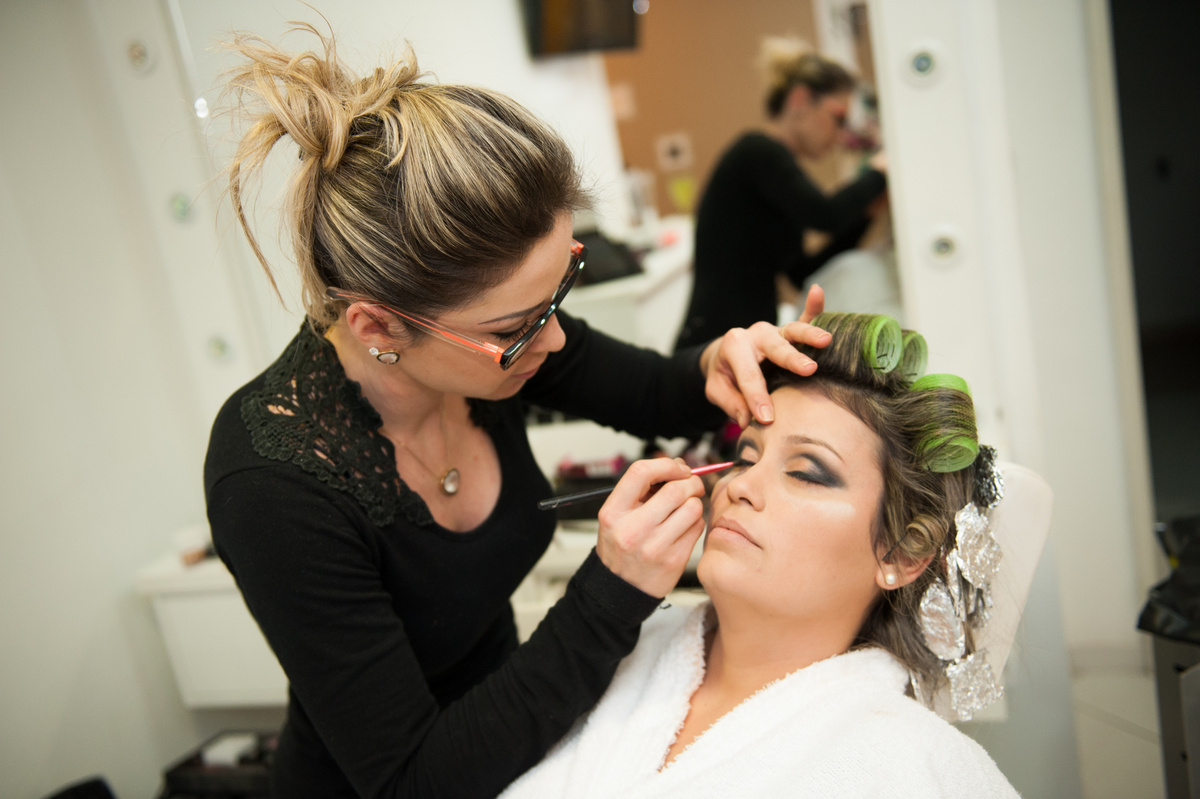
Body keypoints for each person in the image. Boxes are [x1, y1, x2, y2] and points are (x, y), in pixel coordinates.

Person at [203, 24, 830, 799]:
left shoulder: (499, 342)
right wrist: (613, 589)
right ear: (378, 327)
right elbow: (410, 782)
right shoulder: (271, 486)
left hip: (521, 745)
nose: (556, 340)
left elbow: (648, 390)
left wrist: (716, 364)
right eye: (516, 328)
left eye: (560, 290)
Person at [501, 313, 1021, 798]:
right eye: (745, 456)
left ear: (902, 555)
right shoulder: (611, 659)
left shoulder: (913, 766)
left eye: (806, 473)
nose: (740, 485)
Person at [674, 38, 888, 351]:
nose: (841, 136)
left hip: (743, 341)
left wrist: (866, 215)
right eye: (838, 118)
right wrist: (880, 172)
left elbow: (803, 272)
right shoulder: (757, 152)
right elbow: (825, 214)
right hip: (712, 345)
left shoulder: (774, 177)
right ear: (800, 100)